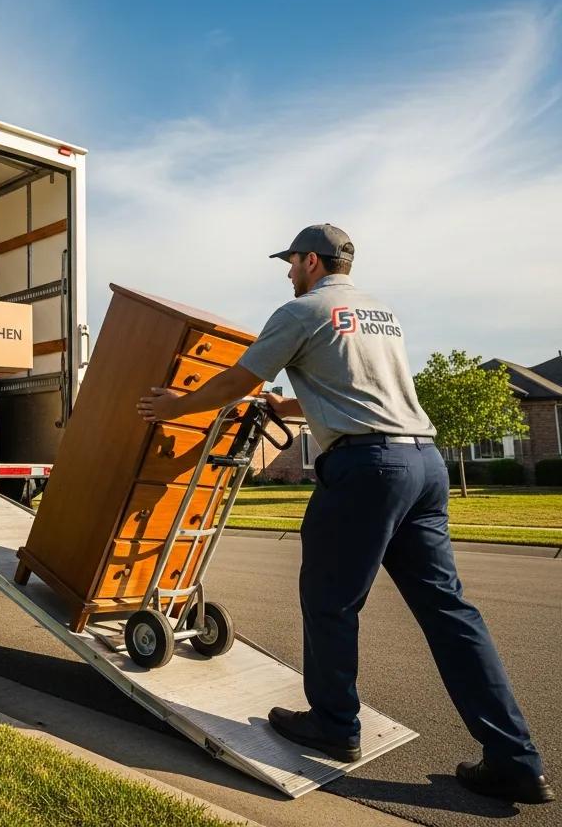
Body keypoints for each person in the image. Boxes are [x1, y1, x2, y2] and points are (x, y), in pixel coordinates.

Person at [137, 224, 553, 805]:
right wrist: (281, 405)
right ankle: (516, 759)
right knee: (450, 613)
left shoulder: (302, 310)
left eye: (291, 262)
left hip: (366, 470)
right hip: (424, 464)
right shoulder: (381, 313)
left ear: (312, 261)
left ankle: (334, 726)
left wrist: (176, 405)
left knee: (330, 601)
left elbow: (239, 378)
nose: (287, 272)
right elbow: (355, 390)